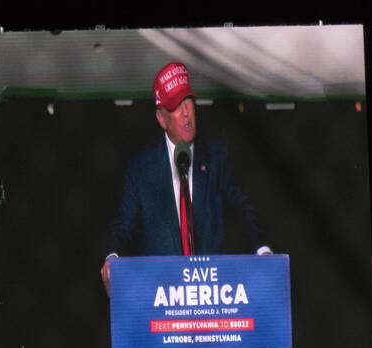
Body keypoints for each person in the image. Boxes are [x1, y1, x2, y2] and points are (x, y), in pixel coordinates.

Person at [100, 62, 264, 292]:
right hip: (162, 295)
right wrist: (112, 257)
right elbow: (122, 224)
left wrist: (262, 248)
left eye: (189, 102)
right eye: (177, 107)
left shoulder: (217, 157)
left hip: (213, 291)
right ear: (161, 118)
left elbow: (243, 207)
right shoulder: (141, 168)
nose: (187, 112)